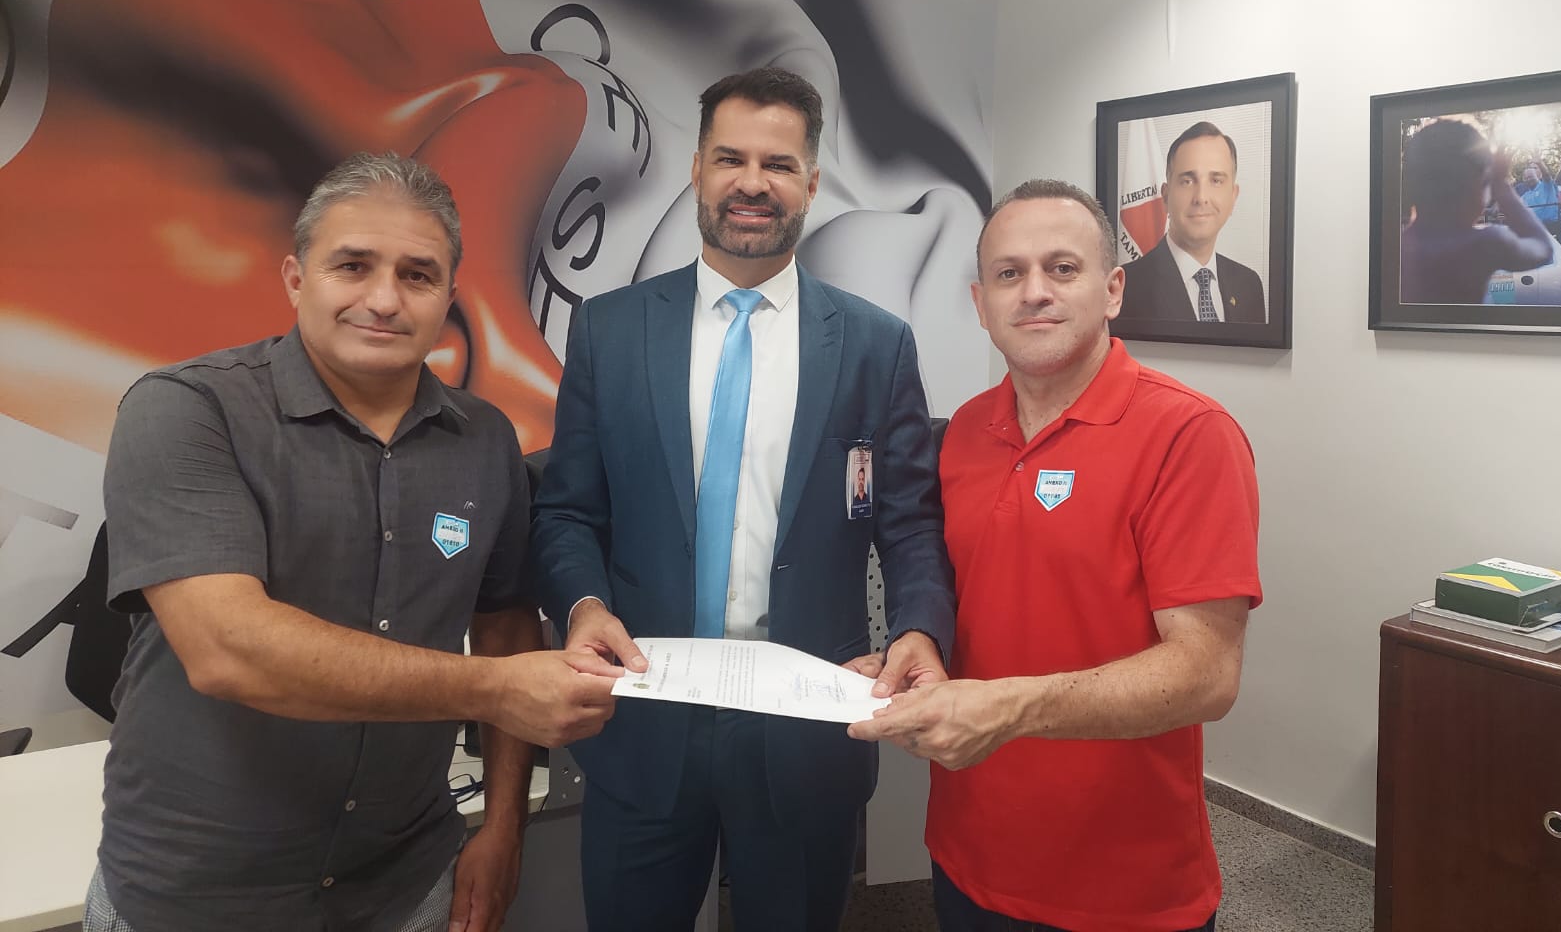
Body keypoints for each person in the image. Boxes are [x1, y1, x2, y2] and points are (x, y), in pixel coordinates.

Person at [93, 152, 623, 932]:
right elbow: (226, 649)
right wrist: (494, 688)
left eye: (418, 275)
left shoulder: (485, 440)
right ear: (295, 278)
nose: (383, 299)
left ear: (449, 297)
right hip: (199, 895)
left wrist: (504, 825)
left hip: (406, 886)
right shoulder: (187, 411)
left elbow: (505, 622)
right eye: (352, 266)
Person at [530, 66, 956, 932]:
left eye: (778, 163)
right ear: (697, 171)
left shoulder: (875, 345)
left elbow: (911, 523)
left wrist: (919, 626)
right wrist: (582, 606)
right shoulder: (610, 330)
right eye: (731, 159)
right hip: (644, 716)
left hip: (807, 731)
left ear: (812, 182)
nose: (752, 183)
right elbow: (569, 510)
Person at [849, 179, 1261, 932]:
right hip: (969, 854)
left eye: (1062, 268)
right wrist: (906, 657)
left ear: (1112, 290)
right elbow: (982, 603)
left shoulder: (1189, 435)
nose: (1034, 291)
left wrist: (1010, 708)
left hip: (1124, 882)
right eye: (1009, 274)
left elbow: (1207, 674)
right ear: (981, 304)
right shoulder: (964, 432)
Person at [1117, 121, 1266, 323]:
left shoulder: (1249, 285)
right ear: (1166, 196)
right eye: (1187, 181)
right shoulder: (1126, 288)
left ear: (1233, 197)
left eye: (1216, 180)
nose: (1201, 197)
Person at [1399, 120, 1554, 304]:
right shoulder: (1484, 243)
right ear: (1478, 185)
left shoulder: (1396, 248)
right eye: (1486, 184)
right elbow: (1544, 248)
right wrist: (1501, 185)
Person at [1517, 161, 1561, 236]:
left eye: (1531, 177)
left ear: (1538, 176)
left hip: (1551, 227)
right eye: (1526, 178)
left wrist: (1540, 163)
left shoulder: (1546, 186)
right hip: (1535, 227)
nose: (1528, 179)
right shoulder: (1525, 196)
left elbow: (1547, 176)